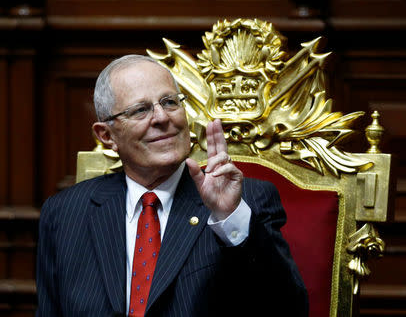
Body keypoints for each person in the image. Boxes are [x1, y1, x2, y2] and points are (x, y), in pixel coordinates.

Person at [35, 55, 308, 317]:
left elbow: (289, 309)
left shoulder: (245, 201)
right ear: (107, 135)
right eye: (141, 110)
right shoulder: (65, 214)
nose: (162, 118)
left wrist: (229, 218)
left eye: (169, 102)